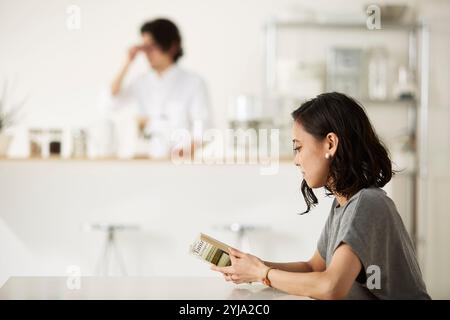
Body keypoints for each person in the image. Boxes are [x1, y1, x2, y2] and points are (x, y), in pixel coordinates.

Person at [211, 92, 430, 300]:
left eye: (298, 148)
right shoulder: (343, 204)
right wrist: (256, 267)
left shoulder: (368, 203)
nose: (296, 160)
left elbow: (331, 286)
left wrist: (263, 273)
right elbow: (315, 267)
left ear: (330, 144)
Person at [107, 18, 210, 158]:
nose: (147, 53)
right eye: (144, 47)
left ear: (172, 46)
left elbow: (202, 130)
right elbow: (112, 100)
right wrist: (128, 62)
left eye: (152, 46)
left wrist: (175, 158)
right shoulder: (141, 82)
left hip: (179, 165)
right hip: (147, 164)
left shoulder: (194, 83)